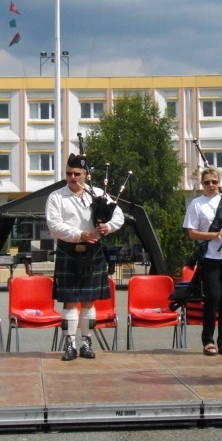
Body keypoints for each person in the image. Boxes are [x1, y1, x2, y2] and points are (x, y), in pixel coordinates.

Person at [45, 153, 125, 360]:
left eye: (77, 174)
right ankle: (69, 345)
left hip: (93, 252)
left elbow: (118, 215)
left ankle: (86, 344)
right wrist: (80, 234)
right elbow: (54, 226)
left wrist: (107, 227)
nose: (72, 177)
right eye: (69, 173)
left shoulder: (98, 194)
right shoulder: (56, 197)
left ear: (85, 174)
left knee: (89, 301)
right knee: (70, 301)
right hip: (68, 251)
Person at [182, 167, 222, 355]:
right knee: (212, 297)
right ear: (202, 184)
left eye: (214, 182)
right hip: (210, 256)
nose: (211, 185)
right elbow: (192, 233)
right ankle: (208, 341)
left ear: (219, 183)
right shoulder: (196, 204)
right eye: (207, 182)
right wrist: (214, 234)